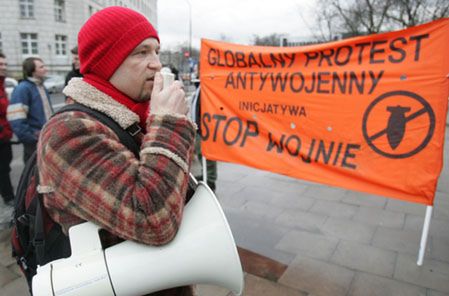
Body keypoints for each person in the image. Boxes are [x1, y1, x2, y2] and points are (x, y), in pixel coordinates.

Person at [37, 6, 196, 296]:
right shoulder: (67, 131)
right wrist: (170, 126)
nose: (157, 64)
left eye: (157, 51)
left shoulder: (139, 115)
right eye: (141, 52)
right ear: (106, 62)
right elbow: (152, 220)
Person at [7, 57, 52, 163]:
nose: (45, 69)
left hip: (44, 138)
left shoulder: (41, 87)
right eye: (41, 67)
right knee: (33, 175)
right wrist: (31, 139)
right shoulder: (22, 89)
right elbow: (16, 119)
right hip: (33, 143)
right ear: (32, 70)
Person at [191, 78, 217, 191]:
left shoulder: (207, 89)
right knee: (201, 154)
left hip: (204, 129)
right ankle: (205, 174)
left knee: (207, 155)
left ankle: (210, 180)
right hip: (198, 127)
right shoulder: (200, 88)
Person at [0, 52, 15, 206]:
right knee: (3, 169)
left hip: (5, 136)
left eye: (5, 64)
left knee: (5, 167)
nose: (3, 67)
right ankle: (8, 197)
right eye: (0, 65)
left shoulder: (2, 84)